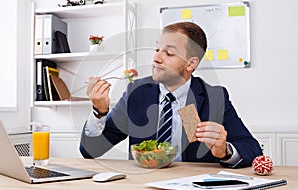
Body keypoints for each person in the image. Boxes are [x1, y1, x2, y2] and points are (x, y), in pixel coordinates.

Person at [79, 22, 262, 168]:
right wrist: (99, 111)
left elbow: (252, 149)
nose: (156, 58)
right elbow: (91, 151)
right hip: (143, 188)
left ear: (191, 64)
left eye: (168, 53)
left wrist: (225, 150)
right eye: (156, 50)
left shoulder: (215, 97)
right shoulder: (136, 93)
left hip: (193, 188)